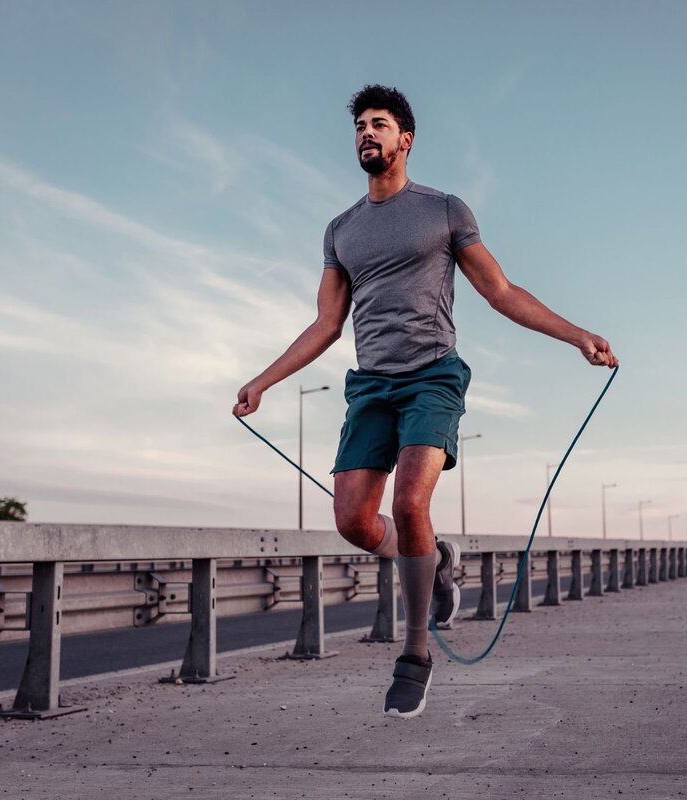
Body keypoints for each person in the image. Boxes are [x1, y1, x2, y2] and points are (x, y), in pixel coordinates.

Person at [233, 84, 617, 719]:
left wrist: (577, 335)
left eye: (378, 125)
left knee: (411, 502)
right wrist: (263, 380)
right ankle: (439, 559)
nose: (366, 134)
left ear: (404, 140)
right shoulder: (341, 230)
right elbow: (326, 324)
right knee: (354, 522)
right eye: (359, 125)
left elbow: (500, 291)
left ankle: (415, 653)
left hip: (432, 376)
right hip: (371, 385)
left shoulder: (443, 210)